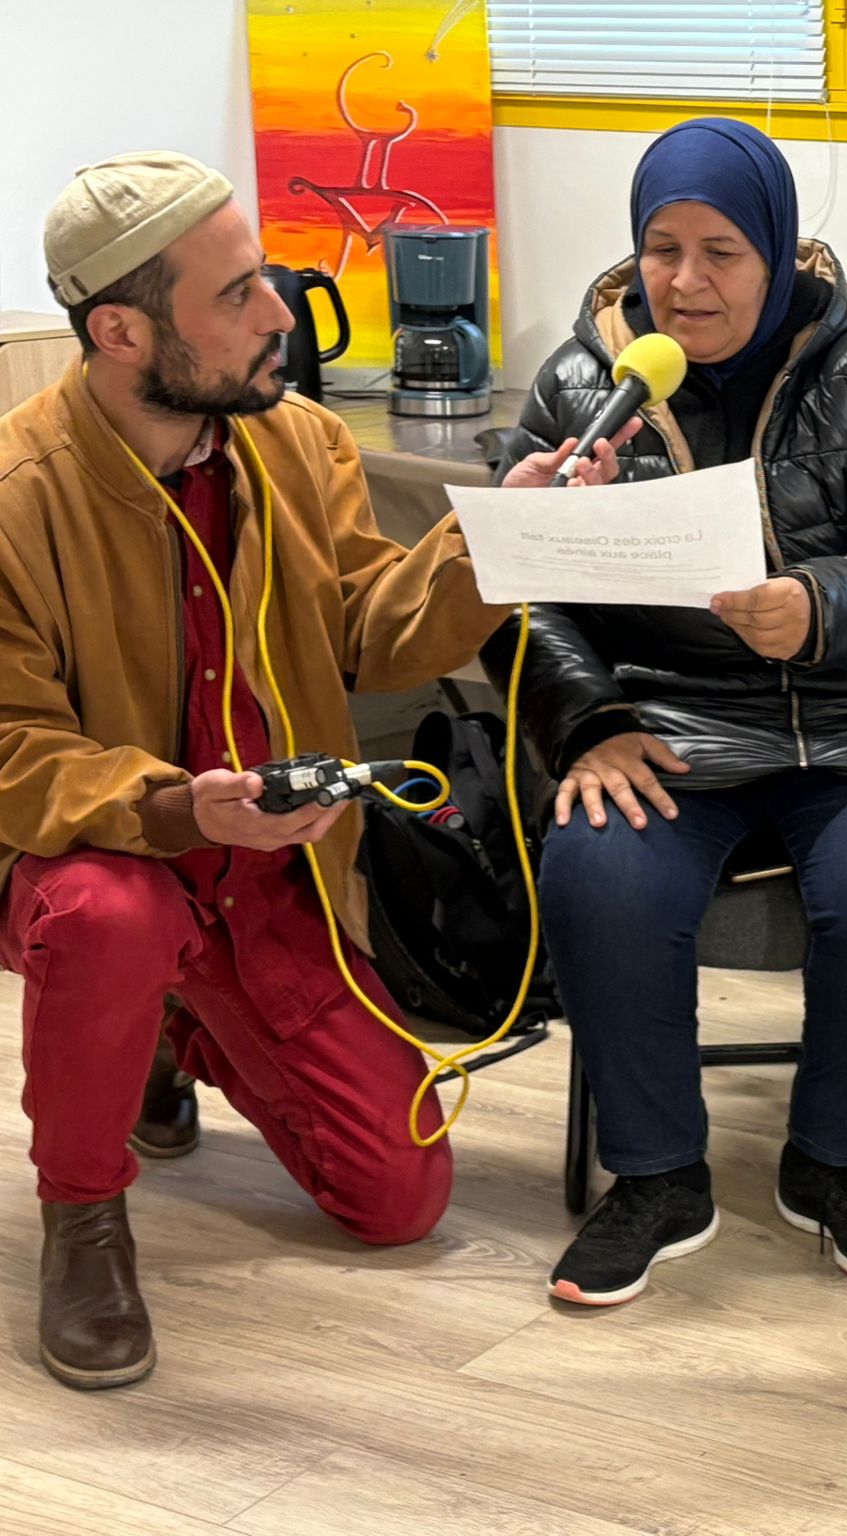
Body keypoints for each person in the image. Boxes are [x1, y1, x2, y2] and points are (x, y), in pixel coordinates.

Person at [0, 153, 510, 1389]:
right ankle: (84, 1217)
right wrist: (173, 808)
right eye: (237, 294)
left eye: (265, 280)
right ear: (121, 333)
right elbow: (13, 747)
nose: (280, 313)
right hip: (91, 863)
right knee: (114, 916)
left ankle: (162, 1031)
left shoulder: (300, 442)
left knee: (398, 1196)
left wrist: (496, 541)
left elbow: (369, 631)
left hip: (266, 873)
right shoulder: (17, 496)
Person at [495, 119, 847, 1306]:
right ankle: (656, 1177)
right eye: (661, 249)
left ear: (774, 250)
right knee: (599, 871)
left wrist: (817, 603)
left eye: (721, 252)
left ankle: (832, 1159)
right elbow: (517, 594)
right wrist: (586, 721)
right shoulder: (581, 385)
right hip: (663, 716)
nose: (685, 281)